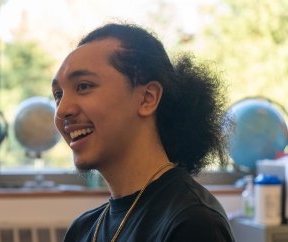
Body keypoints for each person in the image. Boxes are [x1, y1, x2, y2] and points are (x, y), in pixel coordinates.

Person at [51, 22, 235, 242]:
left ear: (148, 98)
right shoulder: (83, 230)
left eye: (83, 86)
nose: (62, 110)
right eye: (58, 95)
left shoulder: (192, 222)